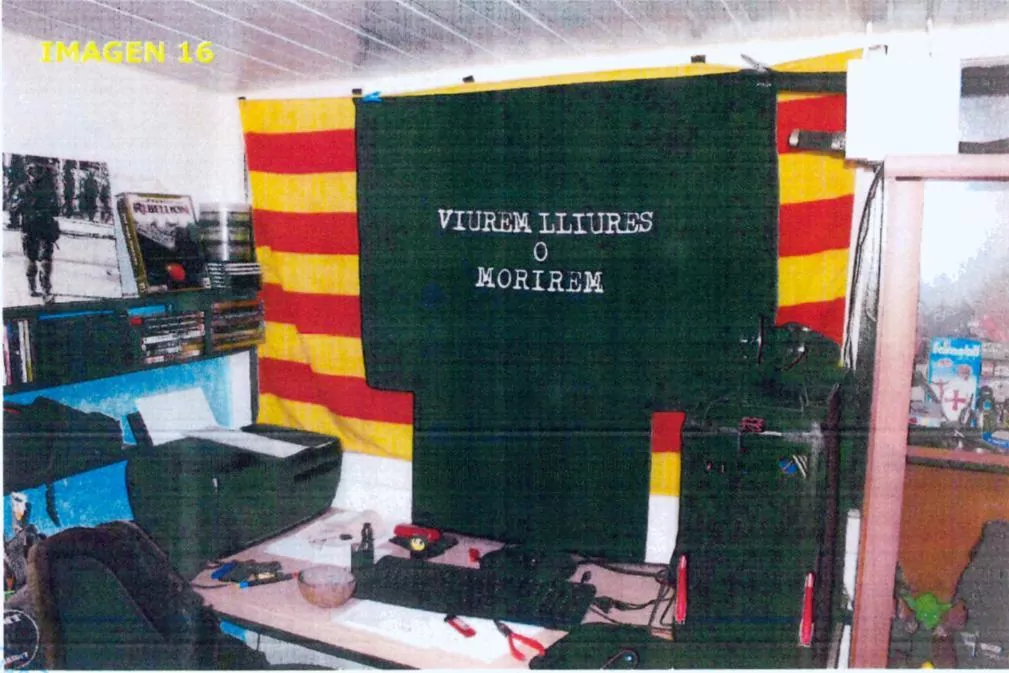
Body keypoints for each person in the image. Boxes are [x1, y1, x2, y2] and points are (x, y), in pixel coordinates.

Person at [11, 164, 61, 303]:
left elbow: (56, 210)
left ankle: (44, 290)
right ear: (29, 173)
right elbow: (14, 208)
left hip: (42, 227)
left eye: (38, 171)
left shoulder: (26, 189)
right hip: (32, 227)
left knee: (44, 259)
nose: (36, 174)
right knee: (32, 258)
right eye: (34, 172)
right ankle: (35, 287)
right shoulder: (26, 189)